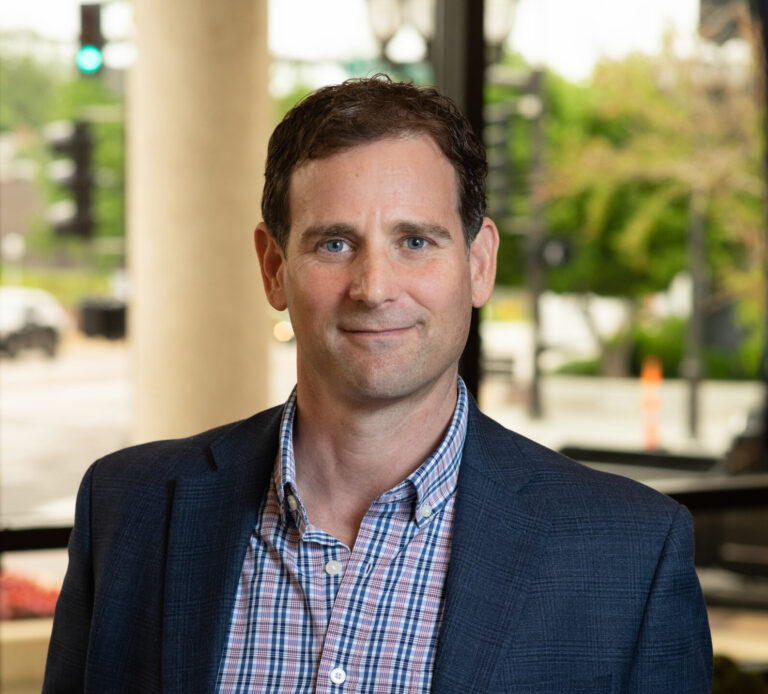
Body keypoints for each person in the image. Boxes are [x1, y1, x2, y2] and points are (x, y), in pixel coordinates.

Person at [43, 76, 712, 693]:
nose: (375, 288)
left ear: (479, 265)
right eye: (334, 244)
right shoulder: (128, 512)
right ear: (274, 267)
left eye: (415, 242)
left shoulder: (629, 557)